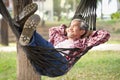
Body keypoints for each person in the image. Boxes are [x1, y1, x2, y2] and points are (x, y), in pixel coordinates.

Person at [17, 3, 110, 77]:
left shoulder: (83, 43)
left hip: (59, 66)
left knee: (48, 47)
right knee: (39, 42)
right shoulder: (60, 37)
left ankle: (25, 31)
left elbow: (104, 35)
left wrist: (89, 33)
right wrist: (67, 30)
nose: (70, 28)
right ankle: (22, 28)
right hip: (41, 64)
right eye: (70, 25)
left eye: (74, 27)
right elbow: (53, 30)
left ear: (81, 32)